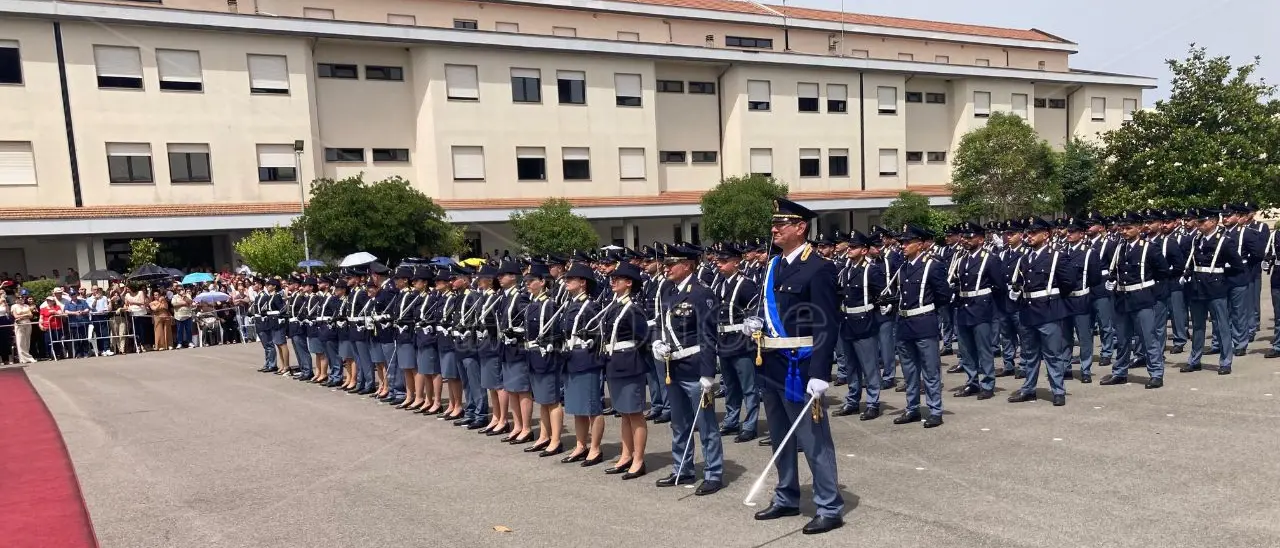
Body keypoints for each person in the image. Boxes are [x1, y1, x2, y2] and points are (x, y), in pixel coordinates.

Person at [746, 198, 844, 535]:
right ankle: (786, 495)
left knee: (813, 440)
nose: (774, 230)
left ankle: (829, 506)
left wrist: (820, 373)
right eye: (774, 224)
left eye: (781, 224)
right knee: (780, 438)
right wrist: (756, 323)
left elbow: (827, 325)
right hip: (770, 363)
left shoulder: (819, 267)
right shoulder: (773, 265)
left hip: (800, 368)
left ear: (800, 228)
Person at [652, 243, 724, 495]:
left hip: (694, 368)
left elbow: (708, 336)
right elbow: (661, 323)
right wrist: (657, 342)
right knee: (679, 423)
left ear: (688, 266)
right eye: (667, 263)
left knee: (705, 424)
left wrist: (708, 373)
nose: (667, 268)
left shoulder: (701, 293)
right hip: (673, 366)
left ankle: (713, 473)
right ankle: (682, 468)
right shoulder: (669, 291)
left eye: (673, 264)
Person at [598, 261, 650, 480]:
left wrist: (633, 360)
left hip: (629, 365)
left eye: (617, 279)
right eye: (612, 279)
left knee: (635, 414)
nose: (613, 282)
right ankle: (626, 454)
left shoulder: (633, 309)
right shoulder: (614, 306)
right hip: (614, 363)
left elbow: (644, 338)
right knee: (624, 414)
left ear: (629, 283)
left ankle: (638, 459)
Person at [832, 230, 886, 420]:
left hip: (865, 321)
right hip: (847, 323)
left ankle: (872, 403)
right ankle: (852, 401)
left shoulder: (872, 270)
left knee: (869, 366)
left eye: (853, 247)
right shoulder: (846, 270)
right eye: (849, 246)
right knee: (851, 366)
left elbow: (882, 297)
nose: (849, 249)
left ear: (864, 250)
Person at [711, 242, 763, 439]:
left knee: (748, 387)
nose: (719, 265)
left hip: (741, 342)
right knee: (730, 386)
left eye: (724, 261)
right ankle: (732, 420)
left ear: (736, 262)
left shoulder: (746, 283)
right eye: (718, 261)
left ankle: (750, 425)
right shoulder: (720, 283)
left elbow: (755, 311)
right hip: (723, 341)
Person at [558, 263, 606, 466]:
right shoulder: (569, 304)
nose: (566, 282)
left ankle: (595, 448)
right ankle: (580, 445)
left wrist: (591, 337)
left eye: (571, 279)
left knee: (592, 407)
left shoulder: (591, 306)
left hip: (586, 360)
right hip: (570, 359)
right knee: (578, 407)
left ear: (583, 283)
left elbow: (600, 333)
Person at [951, 221, 1006, 399]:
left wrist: (992, 309)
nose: (965, 240)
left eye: (970, 237)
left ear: (981, 239)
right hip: (964, 308)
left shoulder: (990, 259)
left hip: (982, 308)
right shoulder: (962, 259)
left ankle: (987, 383)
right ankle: (972, 381)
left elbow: (999, 286)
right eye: (964, 237)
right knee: (966, 349)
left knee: (983, 348)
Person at [522, 263, 565, 456]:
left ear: (542, 282)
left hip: (546, 356)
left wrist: (550, 345)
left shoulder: (550, 304)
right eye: (527, 281)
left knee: (552, 400)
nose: (528, 284)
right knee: (541, 399)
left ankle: (556, 440)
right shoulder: (533, 303)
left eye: (531, 281)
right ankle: (544, 435)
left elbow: (557, 332)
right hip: (533, 356)